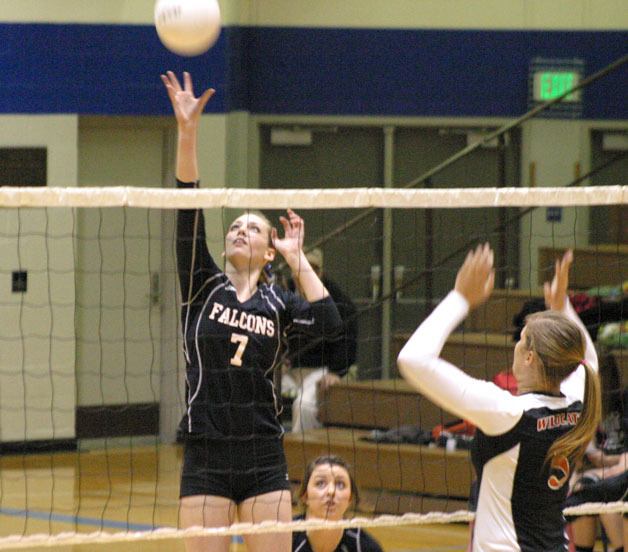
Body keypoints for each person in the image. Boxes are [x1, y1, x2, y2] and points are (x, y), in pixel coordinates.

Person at [161, 71, 342, 552]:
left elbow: (330, 325)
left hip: (264, 455)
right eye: (235, 226)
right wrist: (187, 132)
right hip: (206, 453)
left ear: (268, 252)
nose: (241, 230)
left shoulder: (279, 302)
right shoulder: (203, 286)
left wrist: (298, 258)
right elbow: (188, 209)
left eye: (254, 229)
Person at [397, 245, 601, 551]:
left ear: (530, 356)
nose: (515, 346)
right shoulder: (578, 404)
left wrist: (460, 298)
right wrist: (562, 308)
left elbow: (412, 359)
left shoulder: (507, 413)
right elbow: (589, 361)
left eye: (520, 340)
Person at [282, 248, 358, 432]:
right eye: (301, 268)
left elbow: (347, 342)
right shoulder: (283, 296)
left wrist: (336, 372)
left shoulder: (339, 302)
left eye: (313, 269)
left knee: (304, 405)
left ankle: (302, 453)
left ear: (321, 272)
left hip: (322, 369)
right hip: (289, 369)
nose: (306, 274)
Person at [292, 455, 383, 552]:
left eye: (340, 484)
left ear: (350, 499)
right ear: (305, 496)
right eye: (320, 483)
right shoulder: (284, 536)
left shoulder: (365, 547)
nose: (331, 491)